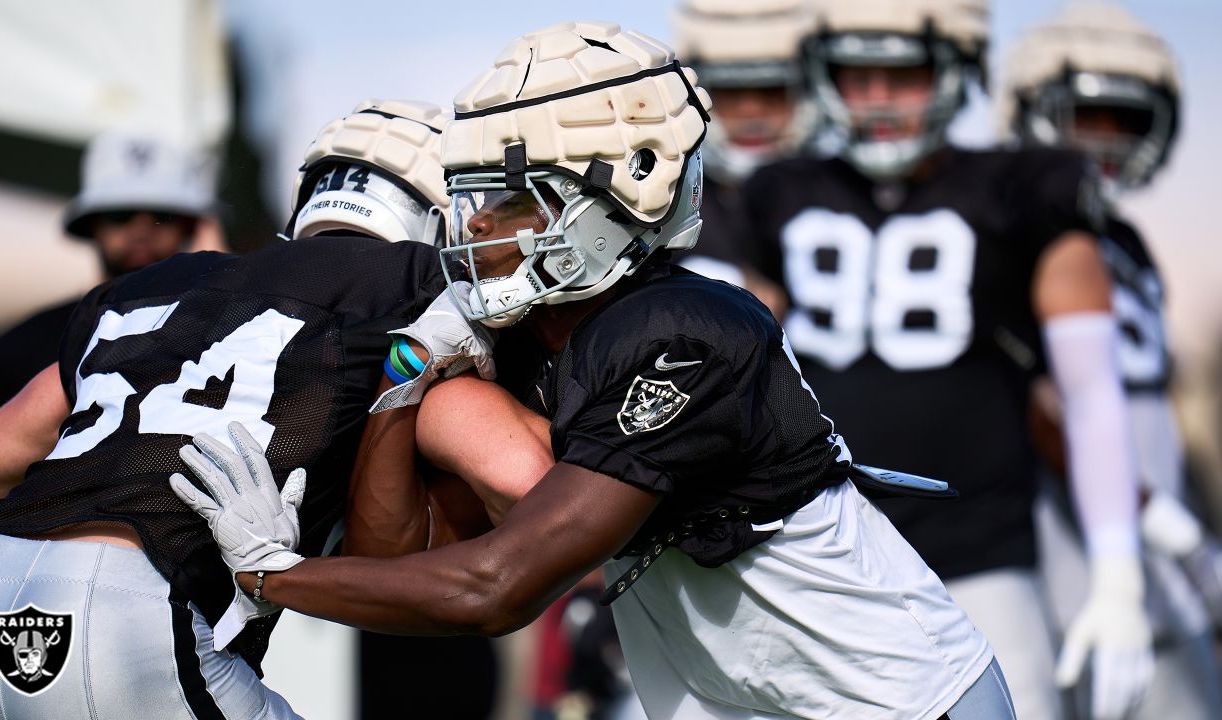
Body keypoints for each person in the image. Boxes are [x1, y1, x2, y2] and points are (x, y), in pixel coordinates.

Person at [175, 22, 1016, 720]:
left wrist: (270, 577)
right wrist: (403, 382)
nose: (475, 230)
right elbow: (398, 550)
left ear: (624, 192)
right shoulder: (526, 335)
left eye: (507, 201)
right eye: (469, 201)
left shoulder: (688, 332)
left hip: (904, 703)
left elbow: (494, 589)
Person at [0, 100, 506, 719]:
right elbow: (519, 475)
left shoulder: (147, 296)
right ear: (440, 215)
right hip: (139, 611)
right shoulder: (408, 300)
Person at [743, 1, 1153, 718]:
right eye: (855, 74)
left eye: (900, 74)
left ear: (956, 67)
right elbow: (739, 370)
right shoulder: (779, 189)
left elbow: (1091, 395)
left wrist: (1120, 580)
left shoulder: (1025, 186)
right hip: (818, 554)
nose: (875, 99)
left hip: (981, 556)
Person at [1000, 3, 1222, 717]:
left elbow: (1145, 410)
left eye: (1124, 122)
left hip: (1153, 559)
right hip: (1069, 567)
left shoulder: (1122, 239)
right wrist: (1169, 529)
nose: (1104, 143)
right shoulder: (1014, 231)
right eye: (1084, 118)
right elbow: (1042, 408)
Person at [0, 130, 220, 431]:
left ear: (189, 226)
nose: (142, 228)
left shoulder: (223, 338)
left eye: (163, 215)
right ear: (93, 224)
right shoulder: (18, 349)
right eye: (121, 214)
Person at [670, 0, 816, 317]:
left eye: (772, 90)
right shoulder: (665, 197)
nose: (751, 111)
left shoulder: (836, 188)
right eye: (730, 92)